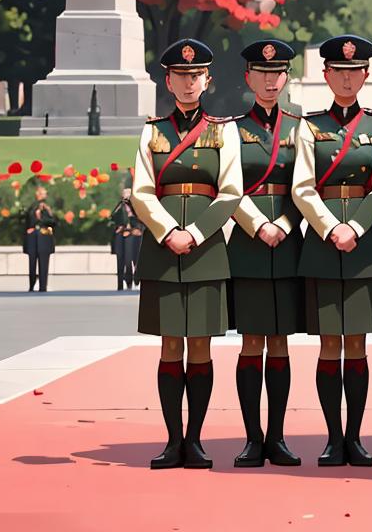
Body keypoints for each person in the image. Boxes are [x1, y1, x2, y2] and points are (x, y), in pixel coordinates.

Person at [131, 38, 243, 470]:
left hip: (205, 248)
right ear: (168, 79)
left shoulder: (222, 130)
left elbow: (231, 190)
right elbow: (142, 191)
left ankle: (195, 440)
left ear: (208, 81)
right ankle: (171, 440)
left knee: (200, 346)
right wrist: (167, 232)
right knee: (169, 347)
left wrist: (193, 232)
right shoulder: (152, 130)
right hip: (163, 250)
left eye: (196, 75)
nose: (189, 82)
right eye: (181, 75)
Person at [292, 35, 372, 467]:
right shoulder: (309, 126)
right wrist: (333, 227)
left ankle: (356, 436)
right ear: (326, 75)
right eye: (339, 72)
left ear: (366, 75)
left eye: (355, 71)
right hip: (324, 243)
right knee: (329, 344)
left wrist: (357, 226)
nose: (347, 79)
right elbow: (303, 188)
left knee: (358, 345)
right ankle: (333, 438)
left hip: (364, 244)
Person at [227, 39, 304, 468]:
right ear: (249, 78)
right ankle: (252, 438)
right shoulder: (232, 130)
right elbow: (229, 187)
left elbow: (306, 186)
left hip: (289, 240)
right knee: (250, 343)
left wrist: (285, 223)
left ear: (286, 77)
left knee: (281, 344)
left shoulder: (301, 128)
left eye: (277, 74)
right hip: (249, 240)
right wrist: (258, 224)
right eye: (262, 73)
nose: (270, 80)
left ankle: (278, 436)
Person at [23, 184, 57, 292]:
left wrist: (42, 218)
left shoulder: (48, 208)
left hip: (44, 237)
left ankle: (43, 286)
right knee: (32, 263)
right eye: (42, 193)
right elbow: (27, 221)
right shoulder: (32, 207)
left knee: (44, 264)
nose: (44, 195)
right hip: (33, 237)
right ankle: (32, 285)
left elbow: (53, 221)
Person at [110, 181, 144, 290]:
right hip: (122, 234)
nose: (126, 197)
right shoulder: (120, 207)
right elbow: (113, 217)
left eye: (128, 195)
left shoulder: (137, 207)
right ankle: (121, 283)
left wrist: (137, 229)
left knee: (132, 259)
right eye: (124, 195)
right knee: (120, 259)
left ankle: (135, 278)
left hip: (134, 235)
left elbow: (142, 220)